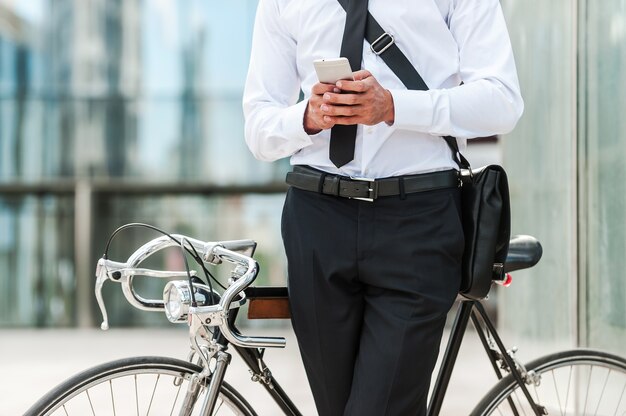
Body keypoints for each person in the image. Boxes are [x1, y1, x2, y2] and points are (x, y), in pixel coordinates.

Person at [243, 0, 523, 414]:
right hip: (317, 222)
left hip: (417, 220)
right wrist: (308, 116)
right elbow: (258, 127)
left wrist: (394, 106)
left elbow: (502, 101)